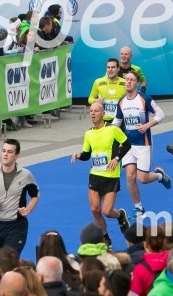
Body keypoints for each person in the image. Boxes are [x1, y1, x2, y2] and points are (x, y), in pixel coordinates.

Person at [71, 101, 132, 248]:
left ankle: (120, 215)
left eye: (96, 111)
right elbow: (87, 154)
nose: (93, 114)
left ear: (103, 114)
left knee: (107, 211)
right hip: (95, 175)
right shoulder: (89, 134)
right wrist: (79, 155)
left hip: (111, 176)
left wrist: (116, 159)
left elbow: (127, 144)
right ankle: (105, 238)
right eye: (91, 111)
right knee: (95, 210)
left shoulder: (113, 129)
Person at [112, 71, 172, 218]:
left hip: (143, 144)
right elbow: (117, 122)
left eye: (132, 80)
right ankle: (138, 208)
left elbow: (161, 114)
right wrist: (106, 132)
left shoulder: (145, 99)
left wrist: (146, 126)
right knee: (130, 177)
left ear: (137, 83)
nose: (128, 82)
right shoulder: (121, 101)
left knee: (143, 179)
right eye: (127, 79)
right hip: (128, 145)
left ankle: (159, 176)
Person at [0, 139, 40, 254]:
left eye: (10, 152)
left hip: (17, 225)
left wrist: (28, 209)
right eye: (3, 151)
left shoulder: (26, 175)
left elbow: (35, 195)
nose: (5, 154)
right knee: (3, 260)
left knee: (9, 258)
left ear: (17, 155)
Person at [89, 58, 127, 124]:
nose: (110, 69)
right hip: (103, 120)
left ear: (118, 69)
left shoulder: (125, 83)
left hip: (120, 120)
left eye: (113, 67)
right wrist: (95, 101)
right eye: (108, 67)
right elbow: (90, 99)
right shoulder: (98, 82)